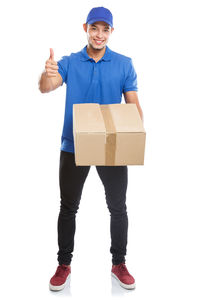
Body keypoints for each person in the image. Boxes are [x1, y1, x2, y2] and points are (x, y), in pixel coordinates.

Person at [39, 6, 143, 291]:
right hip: (74, 145)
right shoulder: (70, 62)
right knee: (68, 207)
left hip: (111, 144)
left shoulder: (124, 63)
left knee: (118, 207)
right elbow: (47, 87)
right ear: (85, 28)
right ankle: (63, 264)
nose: (99, 34)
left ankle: (119, 263)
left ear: (111, 32)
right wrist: (47, 73)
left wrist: (135, 130)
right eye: (94, 28)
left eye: (105, 29)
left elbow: (133, 104)